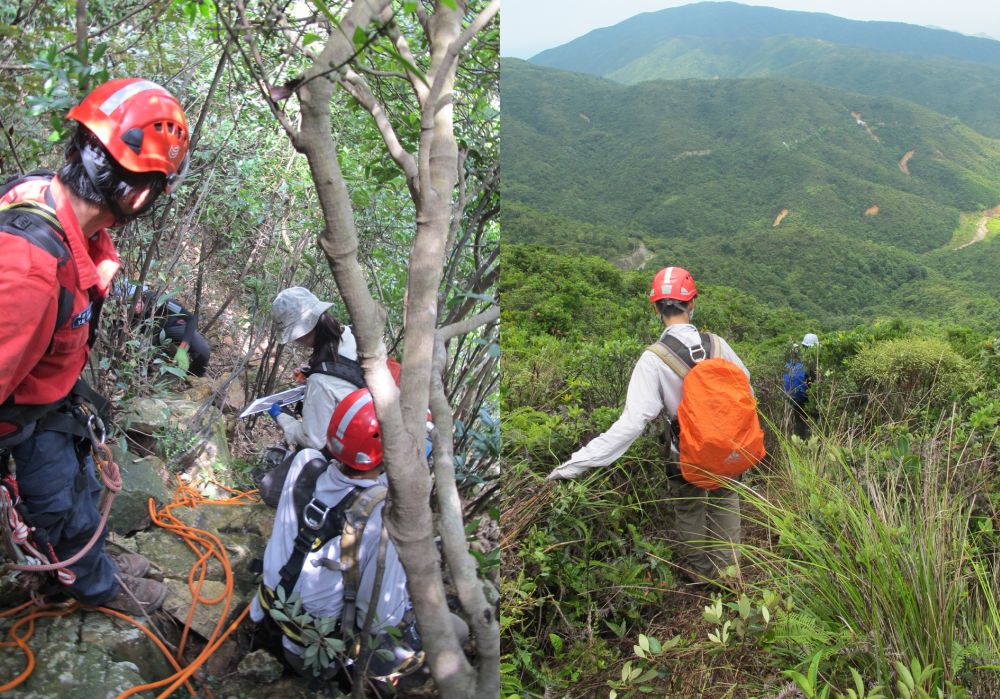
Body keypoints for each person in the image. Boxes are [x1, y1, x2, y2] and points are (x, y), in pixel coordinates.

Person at [0, 78, 191, 613]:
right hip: (24, 420)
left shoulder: (53, 207)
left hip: (50, 400)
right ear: (138, 192)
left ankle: (89, 558)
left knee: (81, 484)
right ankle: (92, 587)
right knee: (61, 504)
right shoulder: (32, 267)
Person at [546, 266, 756, 584]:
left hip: (685, 453)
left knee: (688, 509)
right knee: (725, 501)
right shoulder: (717, 344)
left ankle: (701, 577)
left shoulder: (654, 359)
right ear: (693, 303)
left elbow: (630, 425)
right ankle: (729, 577)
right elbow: (747, 390)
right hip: (728, 446)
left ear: (656, 308)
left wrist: (573, 466)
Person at [250, 388, 465, 690]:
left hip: (267, 614)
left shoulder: (304, 462)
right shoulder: (382, 517)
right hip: (314, 654)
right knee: (457, 629)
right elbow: (378, 621)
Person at [267, 287, 364, 451]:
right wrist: (313, 368)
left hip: (356, 453)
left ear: (301, 333)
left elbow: (313, 440)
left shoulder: (320, 381)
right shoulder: (355, 334)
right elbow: (347, 372)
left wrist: (282, 418)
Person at [115, 279, 211, 377]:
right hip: (151, 336)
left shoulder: (159, 300)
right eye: (130, 304)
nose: (135, 307)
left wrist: (183, 347)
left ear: (142, 295)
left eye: (137, 301)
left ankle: (193, 378)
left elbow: (191, 319)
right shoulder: (123, 313)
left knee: (203, 351)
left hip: (172, 326)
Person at [782, 332, 818, 438]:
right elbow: (812, 383)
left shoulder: (793, 359)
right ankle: (807, 442)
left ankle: (798, 442)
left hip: (791, 397)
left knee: (799, 423)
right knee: (810, 421)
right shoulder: (810, 363)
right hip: (803, 399)